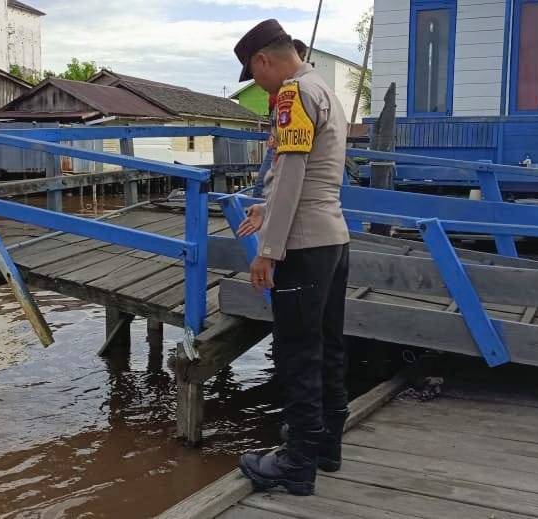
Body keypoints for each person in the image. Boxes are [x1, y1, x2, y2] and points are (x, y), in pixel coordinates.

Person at [232, 19, 351, 496]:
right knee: (329, 344)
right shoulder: (324, 88)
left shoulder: (293, 95)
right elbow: (308, 176)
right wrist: (266, 206)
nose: (259, 86)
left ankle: (298, 463)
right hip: (333, 239)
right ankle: (326, 444)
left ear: (264, 60)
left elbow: (295, 169)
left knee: (297, 353)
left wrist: (268, 251)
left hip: (303, 245)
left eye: (254, 75)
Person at [254, 39, 309, 198]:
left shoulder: (297, 86)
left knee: (266, 185)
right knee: (264, 184)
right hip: (278, 135)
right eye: (302, 56)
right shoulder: (284, 83)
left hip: (285, 140)